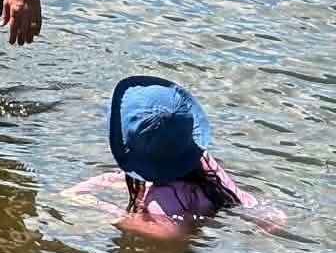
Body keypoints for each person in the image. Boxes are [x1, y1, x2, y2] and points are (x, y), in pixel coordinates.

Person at [67, 76, 281, 237]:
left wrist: (104, 208)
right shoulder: (205, 162)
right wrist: (102, 182)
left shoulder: (162, 197)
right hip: (263, 213)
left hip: (235, 231)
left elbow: (168, 232)